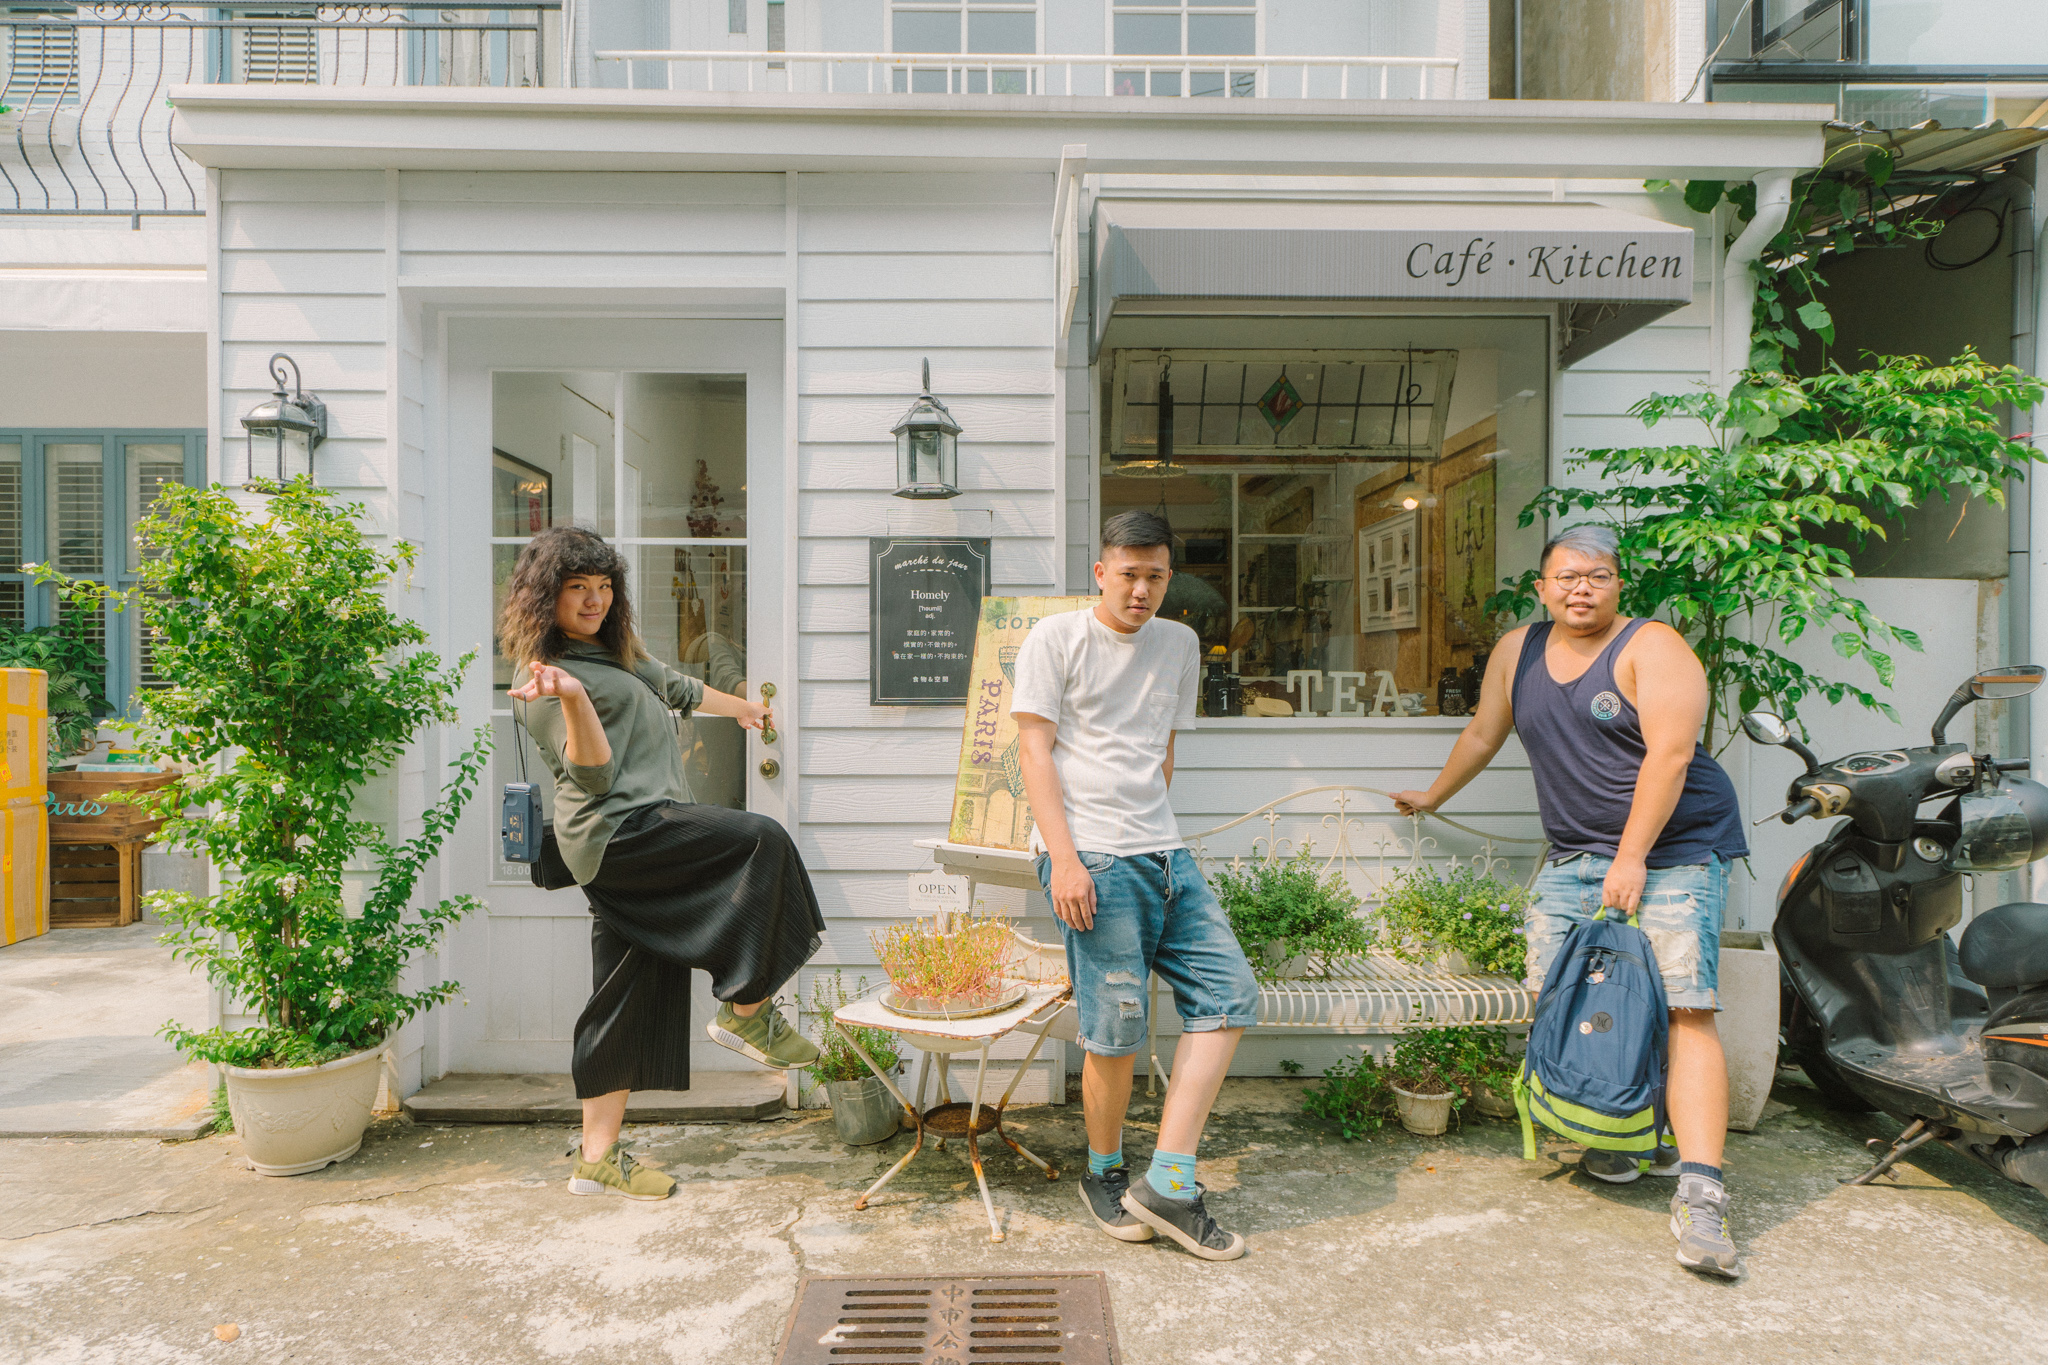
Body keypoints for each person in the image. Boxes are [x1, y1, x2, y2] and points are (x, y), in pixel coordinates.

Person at [1392, 523, 1749, 1279]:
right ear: (1542, 587)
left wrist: (1631, 856)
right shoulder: (1516, 650)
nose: (1580, 588)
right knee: (1563, 996)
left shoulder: (1654, 647)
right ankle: (1627, 1133)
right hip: (1576, 852)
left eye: (1597, 575)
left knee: (1684, 1004)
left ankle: (1701, 1189)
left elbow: (1671, 756)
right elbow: (1484, 733)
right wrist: (1432, 795)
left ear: (1619, 583)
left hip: (1675, 850)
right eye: (1566, 576)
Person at [501, 526, 825, 1201]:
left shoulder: (614, 650)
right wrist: (572, 696)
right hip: (620, 834)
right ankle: (747, 1009)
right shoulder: (542, 678)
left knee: (625, 991)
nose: (594, 600)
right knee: (760, 840)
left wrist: (746, 709)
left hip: (641, 827)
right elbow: (593, 775)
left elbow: (679, 689)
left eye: (603, 586)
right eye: (577, 588)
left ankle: (596, 1158)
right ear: (545, 596)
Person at [1011, 510, 1262, 1262]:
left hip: (1163, 850)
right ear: (1101, 572)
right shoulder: (1056, 638)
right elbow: (1033, 751)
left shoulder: (1179, 644)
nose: (1142, 590)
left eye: (1156, 576)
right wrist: (1064, 859)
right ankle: (1104, 1170)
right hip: (1091, 855)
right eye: (1128, 574)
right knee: (1116, 1027)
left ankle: (1168, 1182)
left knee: (1228, 994)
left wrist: (1156, 829)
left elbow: (1163, 749)